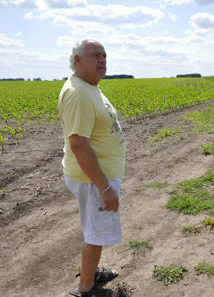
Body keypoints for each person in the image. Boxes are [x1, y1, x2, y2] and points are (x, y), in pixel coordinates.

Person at [58, 38, 126, 297]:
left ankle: (92, 270)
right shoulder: (78, 93)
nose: (102, 60)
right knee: (96, 233)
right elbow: (79, 146)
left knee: (94, 227)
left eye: (105, 55)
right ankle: (86, 289)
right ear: (77, 60)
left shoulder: (89, 87)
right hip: (94, 180)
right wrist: (104, 186)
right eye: (95, 55)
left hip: (97, 178)